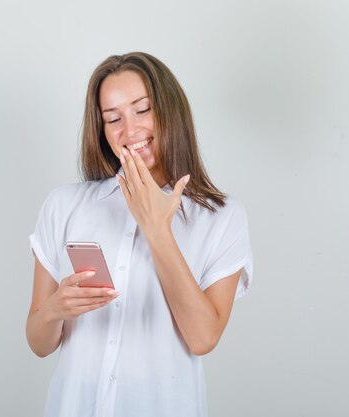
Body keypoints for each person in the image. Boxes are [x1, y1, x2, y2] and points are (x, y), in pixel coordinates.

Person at [26, 52, 253, 417]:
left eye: (142, 109)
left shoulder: (222, 218)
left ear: (169, 111)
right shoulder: (65, 205)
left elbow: (203, 337)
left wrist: (156, 229)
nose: (129, 131)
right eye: (113, 118)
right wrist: (55, 310)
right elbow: (38, 342)